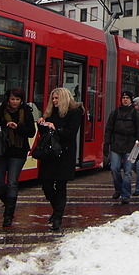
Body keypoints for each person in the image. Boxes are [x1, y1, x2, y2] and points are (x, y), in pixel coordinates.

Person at [0, 87, 37, 227]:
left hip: (18, 152)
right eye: (12, 99)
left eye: (17, 99)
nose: (15, 102)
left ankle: (8, 215)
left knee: (12, 182)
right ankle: (8, 203)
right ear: (8, 99)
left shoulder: (26, 112)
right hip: (1, 151)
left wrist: (17, 127)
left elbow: (31, 132)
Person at [37, 87, 83, 231]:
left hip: (65, 154)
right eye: (53, 98)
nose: (54, 101)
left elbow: (70, 133)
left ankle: (58, 217)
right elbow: (45, 134)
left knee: (61, 186)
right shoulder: (51, 112)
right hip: (50, 154)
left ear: (64, 98)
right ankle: (56, 210)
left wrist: (55, 128)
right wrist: (42, 124)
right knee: (46, 185)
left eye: (57, 98)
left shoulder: (74, 112)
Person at [104, 91, 139, 204]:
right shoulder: (115, 113)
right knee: (114, 169)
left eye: (127, 98)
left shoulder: (136, 115)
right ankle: (119, 189)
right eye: (123, 97)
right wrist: (106, 144)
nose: (125, 100)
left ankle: (125, 194)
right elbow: (109, 129)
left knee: (127, 172)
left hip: (130, 147)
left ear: (131, 100)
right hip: (116, 145)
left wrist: (138, 148)